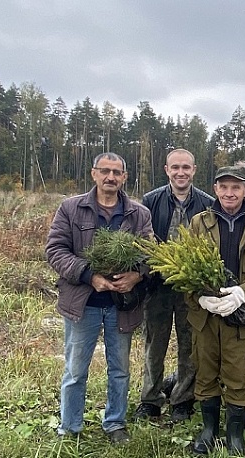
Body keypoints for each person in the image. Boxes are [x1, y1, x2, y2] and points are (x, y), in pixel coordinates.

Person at [46, 152, 153, 444]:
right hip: (84, 304)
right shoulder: (71, 208)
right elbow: (55, 250)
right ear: (93, 174)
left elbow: (150, 252)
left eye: (117, 172)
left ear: (124, 177)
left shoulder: (139, 213)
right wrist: (89, 275)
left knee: (119, 369)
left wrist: (137, 275)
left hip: (122, 305)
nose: (111, 177)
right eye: (105, 171)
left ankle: (115, 423)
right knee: (75, 369)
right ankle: (70, 427)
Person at [187, 165, 245, 455]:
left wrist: (244, 291)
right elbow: (183, 264)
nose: (230, 193)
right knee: (205, 370)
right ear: (215, 189)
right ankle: (208, 429)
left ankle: (235, 434)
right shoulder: (199, 223)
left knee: (238, 374)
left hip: (240, 315)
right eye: (224, 187)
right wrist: (199, 297)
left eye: (236, 187)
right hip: (205, 316)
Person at [136, 149, 215, 422]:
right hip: (157, 285)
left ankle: (183, 399)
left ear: (194, 170)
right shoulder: (150, 200)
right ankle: (150, 399)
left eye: (186, 167)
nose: (180, 172)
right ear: (166, 170)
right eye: (175, 167)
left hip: (191, 287)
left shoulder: (207, 203)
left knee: (189, 345)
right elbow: (142, 241)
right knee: (154, 344)